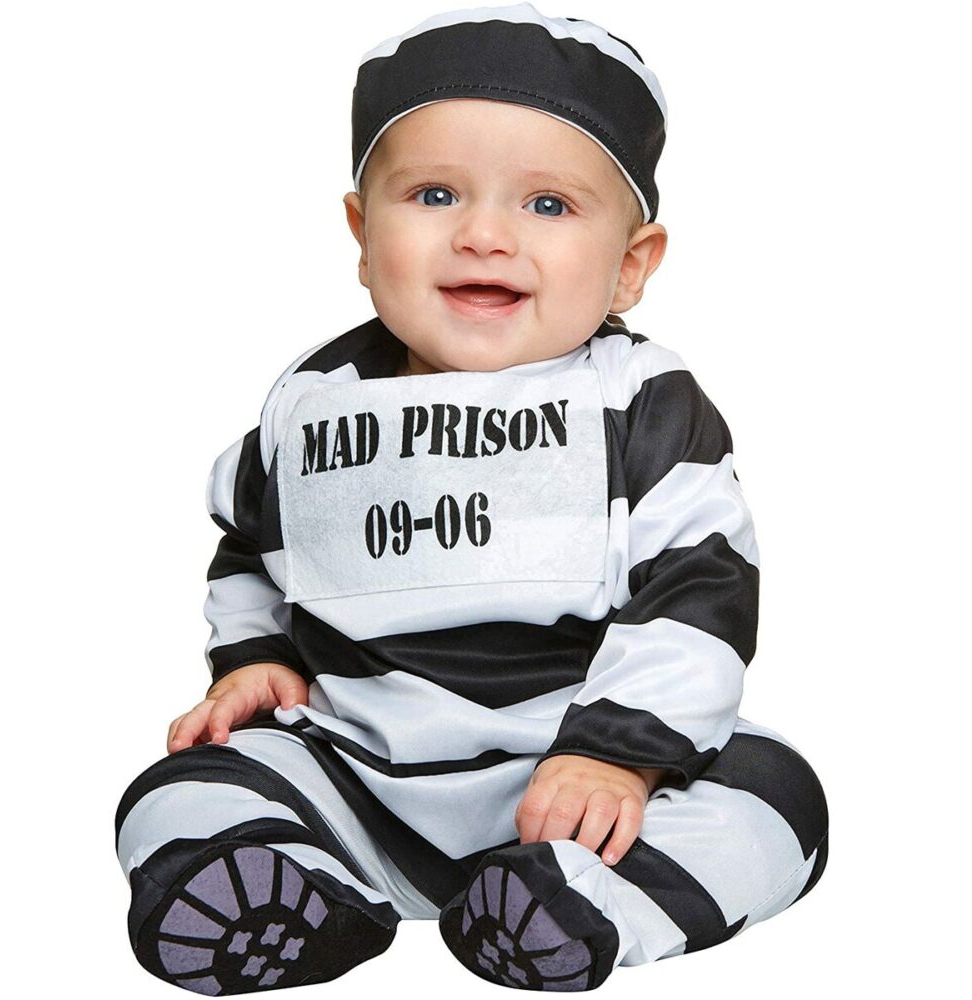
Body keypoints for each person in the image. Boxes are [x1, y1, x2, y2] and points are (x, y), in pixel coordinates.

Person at [114, 4, 828, 994]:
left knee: (776, 795)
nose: (484, 235)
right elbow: (253, 543)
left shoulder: (639, 402)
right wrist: (256, 659)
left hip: (578, 787)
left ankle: (576, 905)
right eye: (435, 193)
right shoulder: (312, 401)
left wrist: (618, 757)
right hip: (359, 775)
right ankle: (300, 891)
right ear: (363, 234)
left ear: (630, 264)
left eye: (549, 205)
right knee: (177, 789)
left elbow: (697, 591)